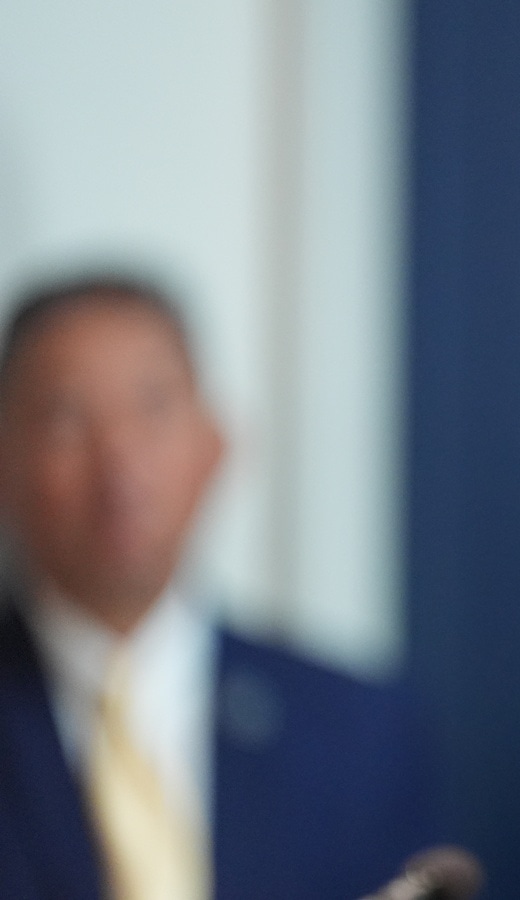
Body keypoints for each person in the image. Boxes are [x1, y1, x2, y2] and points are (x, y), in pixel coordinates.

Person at [0, 276, 440, 900]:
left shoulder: (359, 733)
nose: (118, 460)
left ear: (216, 445)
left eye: (153, 406)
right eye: (66, 417)